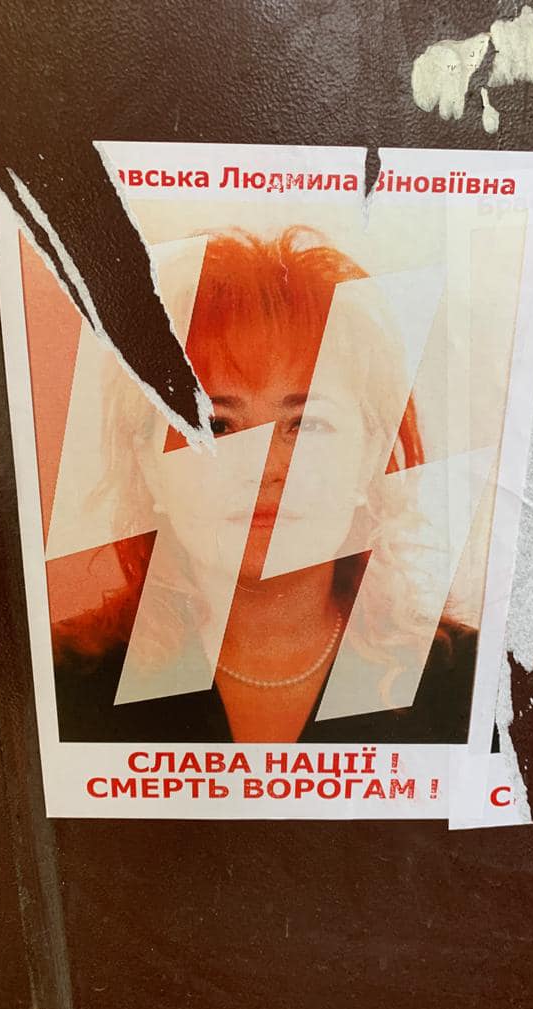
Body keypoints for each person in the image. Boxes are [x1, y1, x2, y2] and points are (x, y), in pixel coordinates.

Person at [53, 227, 476, 743]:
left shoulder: (475, 687)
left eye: (306, 424)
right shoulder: (56, 683)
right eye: (215, 425)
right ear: (147, 464)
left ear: (369, 458)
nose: (263, 467)